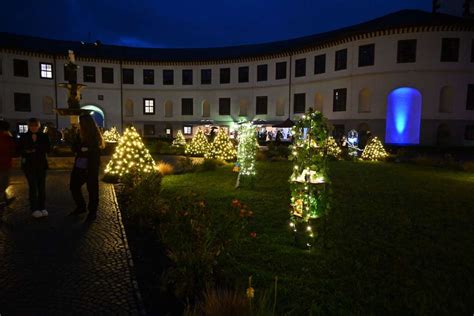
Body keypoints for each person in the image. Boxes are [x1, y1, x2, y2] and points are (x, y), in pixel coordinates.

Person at [69, 114, 105, 221]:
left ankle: (92, 212)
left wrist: (86, 150)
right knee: (74, 186)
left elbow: (95, 151)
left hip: (91, 167)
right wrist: (81, 149)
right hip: (79, 166)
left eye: (81, 123)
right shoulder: (79, 134)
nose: (79, 124)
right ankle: (81, 207)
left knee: (92, 189)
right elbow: (74, 147)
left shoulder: (95, 135)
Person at [19, 118, 51, 218]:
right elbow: (19, 149)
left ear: (39, 126)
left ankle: (42, 207)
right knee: (33, 186)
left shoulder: (44, 136)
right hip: (29, 165)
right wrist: (28, 150)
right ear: (29, 126)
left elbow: (48, 148)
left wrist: (34, 148)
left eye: (35, 125)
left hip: (41, 165)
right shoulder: (24, 136)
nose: (33, 128)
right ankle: (34, 208)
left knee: (42, 187)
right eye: (32, 126)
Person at [0, 121, 16, 215]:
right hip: (4, 165)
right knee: (3, 185)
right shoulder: (7, 138)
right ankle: (1, 205)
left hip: (4, 165)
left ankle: (5, 201)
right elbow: (13, 151)